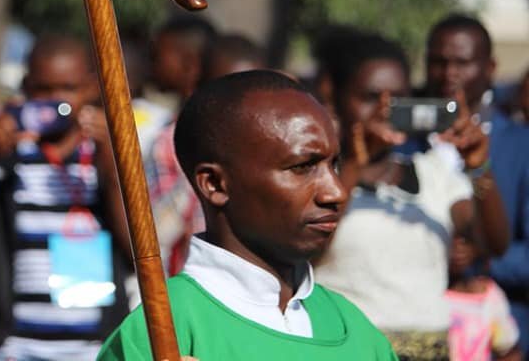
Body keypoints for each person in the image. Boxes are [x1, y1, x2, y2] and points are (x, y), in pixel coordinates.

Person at [98, 70, 397, 360]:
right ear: (214, 183)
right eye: (302, 167)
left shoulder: (354, 328)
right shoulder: (164, 331)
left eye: (334, 165)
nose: (336, 192)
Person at [315, 32, 508, 358]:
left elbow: (493, 242)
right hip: (349, 348)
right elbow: (308, 251)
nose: (383, 111)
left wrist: (478, 165)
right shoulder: (319, 179)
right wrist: (353, 168)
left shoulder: (434, 172)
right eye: (370, 97)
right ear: (337, 98)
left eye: (398, 100)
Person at [0, 34, 131, 360]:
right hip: (15, 347)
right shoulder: (8, 158)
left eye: (68, 89)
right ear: (27, 88)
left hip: (96, 348)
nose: (56, 101)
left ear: (90, 88)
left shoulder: (105, 156)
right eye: (43, 91)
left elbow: (135, 248)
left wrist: (113, 165)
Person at [404, 14, 529, 353]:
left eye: (462, 62)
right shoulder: (401, 143)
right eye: (438, 62)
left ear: (489, 67)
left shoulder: (521, 145)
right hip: (411, 328)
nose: (449, 73)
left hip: (500, 336)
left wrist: (483, 254)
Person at [145, 31, 266, 275]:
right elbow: (156, 234)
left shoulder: (274, 144)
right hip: (196, 288)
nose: (240, 107)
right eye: (227, 94)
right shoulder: (170, 143)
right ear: (198, 86)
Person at [444, 203, 520, 361]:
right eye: (452, 238)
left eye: (466, 239)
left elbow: (508, 352)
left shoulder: (489, 297)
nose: (458, 247)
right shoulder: (427, 294)